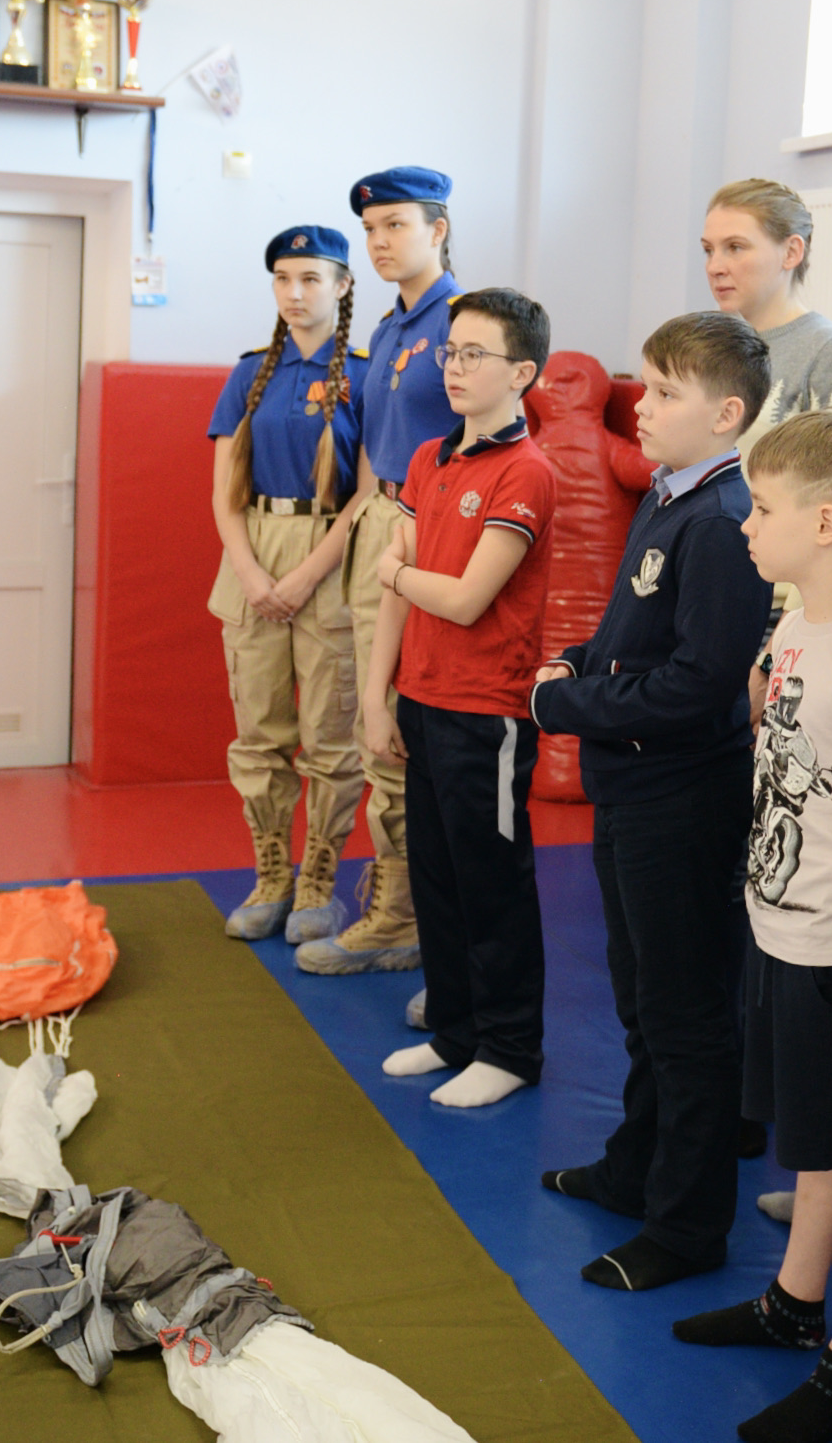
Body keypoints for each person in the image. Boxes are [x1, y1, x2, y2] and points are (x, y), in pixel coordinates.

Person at [673, 407, 832, 1443]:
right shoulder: (797, 623)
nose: (745, 523)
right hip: (782, 924)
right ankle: (794, 1298)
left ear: (825, 522)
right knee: (814, 1144)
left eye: (763, 508)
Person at [533, 312, 777, 1288]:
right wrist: (580, 659)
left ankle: (686, 1224)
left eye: (667, 392)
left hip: (681, 799)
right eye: (645, 384)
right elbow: (636, 634)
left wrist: (566, 703)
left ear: (726, 414)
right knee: (641, 998)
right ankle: (635, 1166)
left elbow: (699, 683)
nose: (643, 405)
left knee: (685, 1016)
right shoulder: (673, 496)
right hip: (632, 787)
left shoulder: (720, 521)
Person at [364, 288, 560, 1109]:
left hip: (489, 713)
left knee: (492, 885)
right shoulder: (429, 458)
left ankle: (510, 1048)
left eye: (475, 354)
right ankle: (454, 1030)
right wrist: (376, 695)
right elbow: (403, 595)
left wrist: (396, 570)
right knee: (437, 877)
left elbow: (467, 599)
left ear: (521, 372)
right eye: (450, 351)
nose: (454, 367)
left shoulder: (527, 471)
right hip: (423, 698)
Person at [304, 165, 459, 979]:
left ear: (439, 229)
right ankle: (397, 903)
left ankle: (403, 916)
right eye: (370, 230)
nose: (379, 242)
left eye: (396, 225)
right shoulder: (391, 328)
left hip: (432, 530)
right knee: (374, 717)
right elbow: (375, 447)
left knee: (399, 721)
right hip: (381, 517)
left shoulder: (463, 320)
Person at [206, 224, 369, 941]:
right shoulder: (250, 372)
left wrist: (304, 575)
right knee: (259, 736)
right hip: (251, 555)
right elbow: (224, 494)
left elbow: (367, 496)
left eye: (310, 278)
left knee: (330, 740)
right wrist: (251, 573)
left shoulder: (365, 372)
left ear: (342, 285)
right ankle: (271, 874)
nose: (294, 293)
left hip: (331, 559)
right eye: (282, 279)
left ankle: (318, 882)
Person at [702, 177, 832, 448]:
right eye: (708, 250)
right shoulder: (711, 344)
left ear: (791, 252)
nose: (714, 267)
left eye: (735, 247)